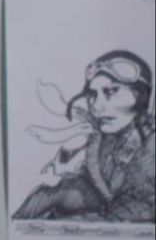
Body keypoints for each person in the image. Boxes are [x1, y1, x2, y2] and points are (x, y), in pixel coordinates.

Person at [13, 50, 155, 223]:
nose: (97, 106)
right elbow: (85, 185)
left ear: (141, 95)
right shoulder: (103, 140)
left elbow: (137, 210)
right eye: (93, 95)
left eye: (111, 91)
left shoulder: (150, 146)